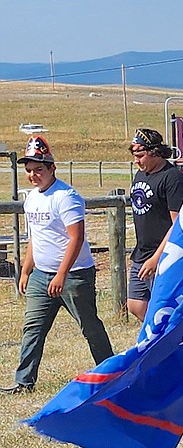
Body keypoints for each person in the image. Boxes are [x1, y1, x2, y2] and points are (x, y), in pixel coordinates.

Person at [4, 136, 114, 395]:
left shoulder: (66, 196)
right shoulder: (31, 198)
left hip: (74, 276)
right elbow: (35, 237)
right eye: (29, 170)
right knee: (33, 327)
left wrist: (62, 274)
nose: (33, 175)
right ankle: (24, 381)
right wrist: (26, 269)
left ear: (52, 168)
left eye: (39, 169)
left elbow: (76, 238)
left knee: (90, 327)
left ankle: (110, 374)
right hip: (41, 276)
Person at [127, 127, 183, 322]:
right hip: (141, 253)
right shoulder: (141, 174)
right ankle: (156, 341)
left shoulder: (173, 178)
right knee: (136, 304)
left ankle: (168, 344)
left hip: (163, 255)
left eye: (140, 155)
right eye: (134, 155)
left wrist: (157, 259)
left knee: (162, 309)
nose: (136, 160)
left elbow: (178, 224)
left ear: (154, 152)